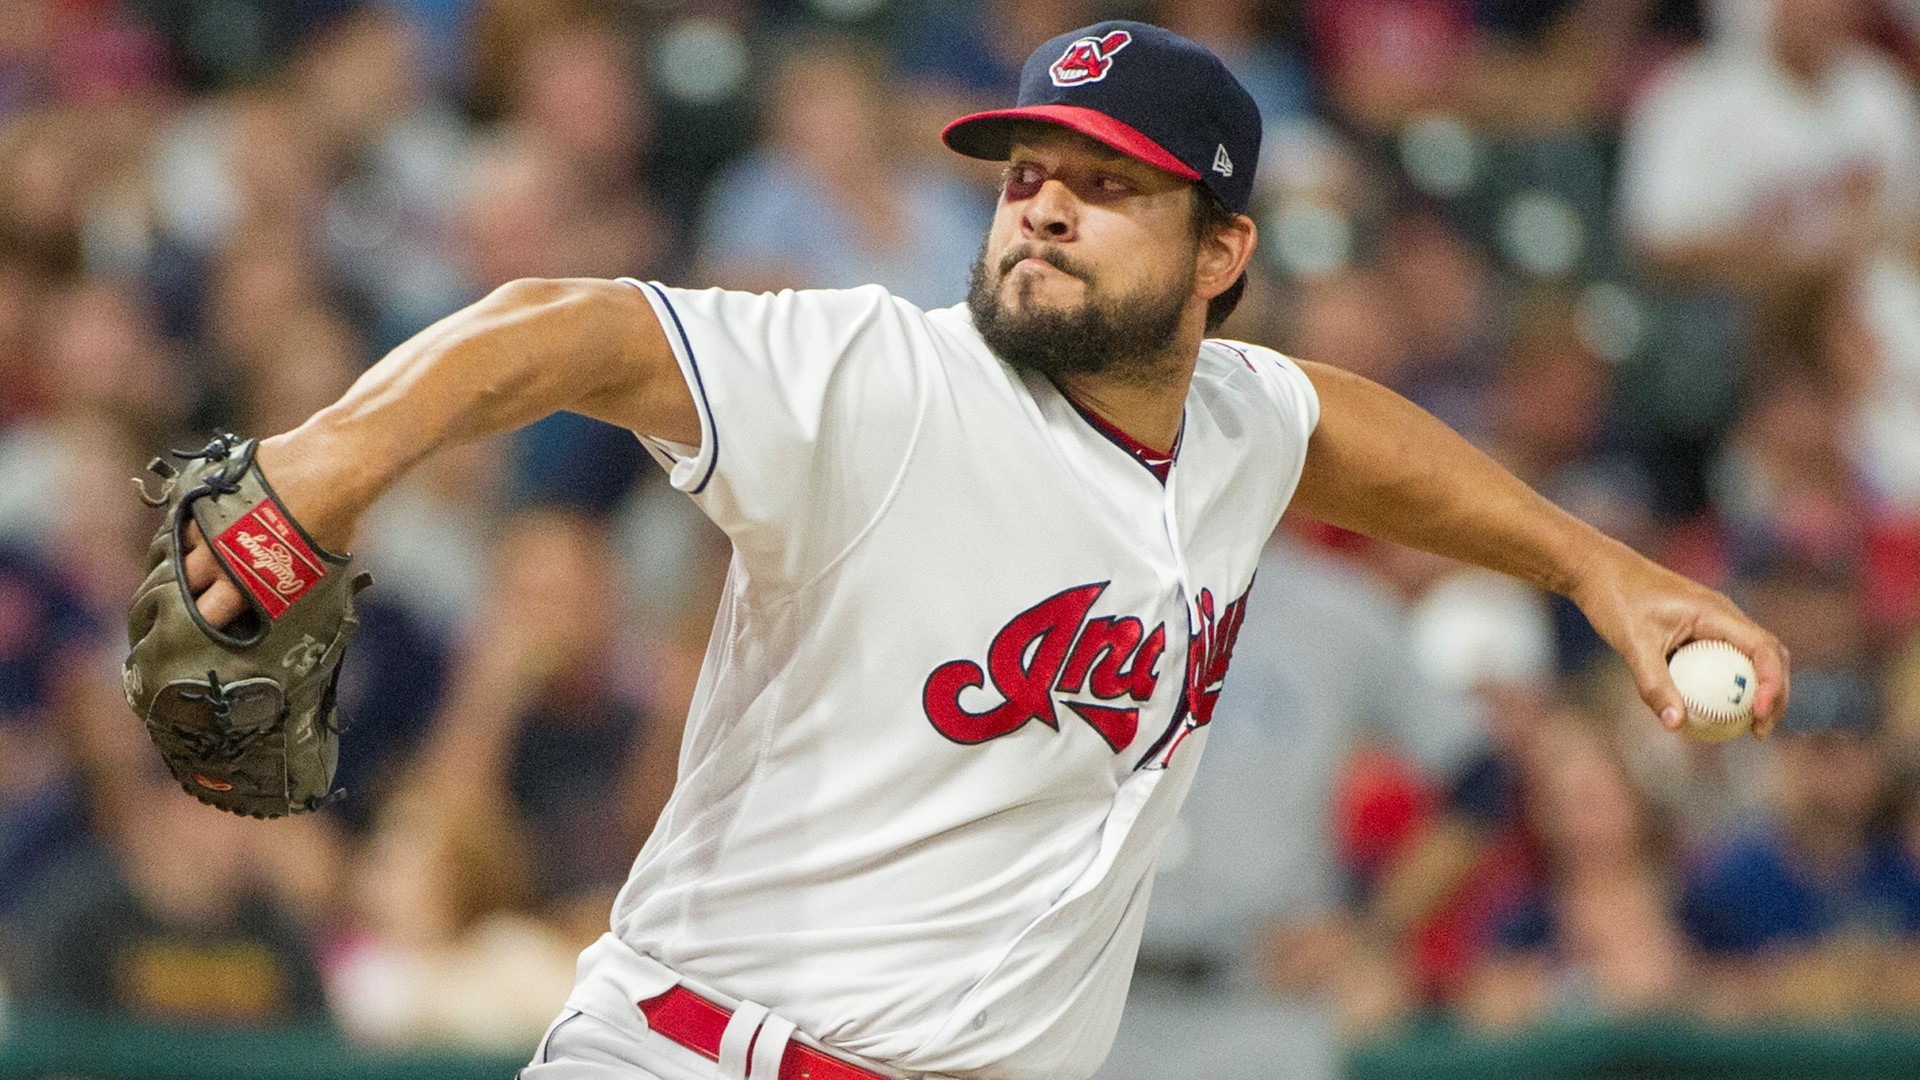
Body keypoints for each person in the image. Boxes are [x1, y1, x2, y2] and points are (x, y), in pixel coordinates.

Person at [174, 22, 1789, 1080]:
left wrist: (1597, 566)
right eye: (1028, 179)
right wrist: (329, 459)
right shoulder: (883, 382)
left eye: (1106, 187)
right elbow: (566, 326)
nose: (1042, 211)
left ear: (1223, 252)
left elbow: (1343, 431)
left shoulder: (1232, 422)